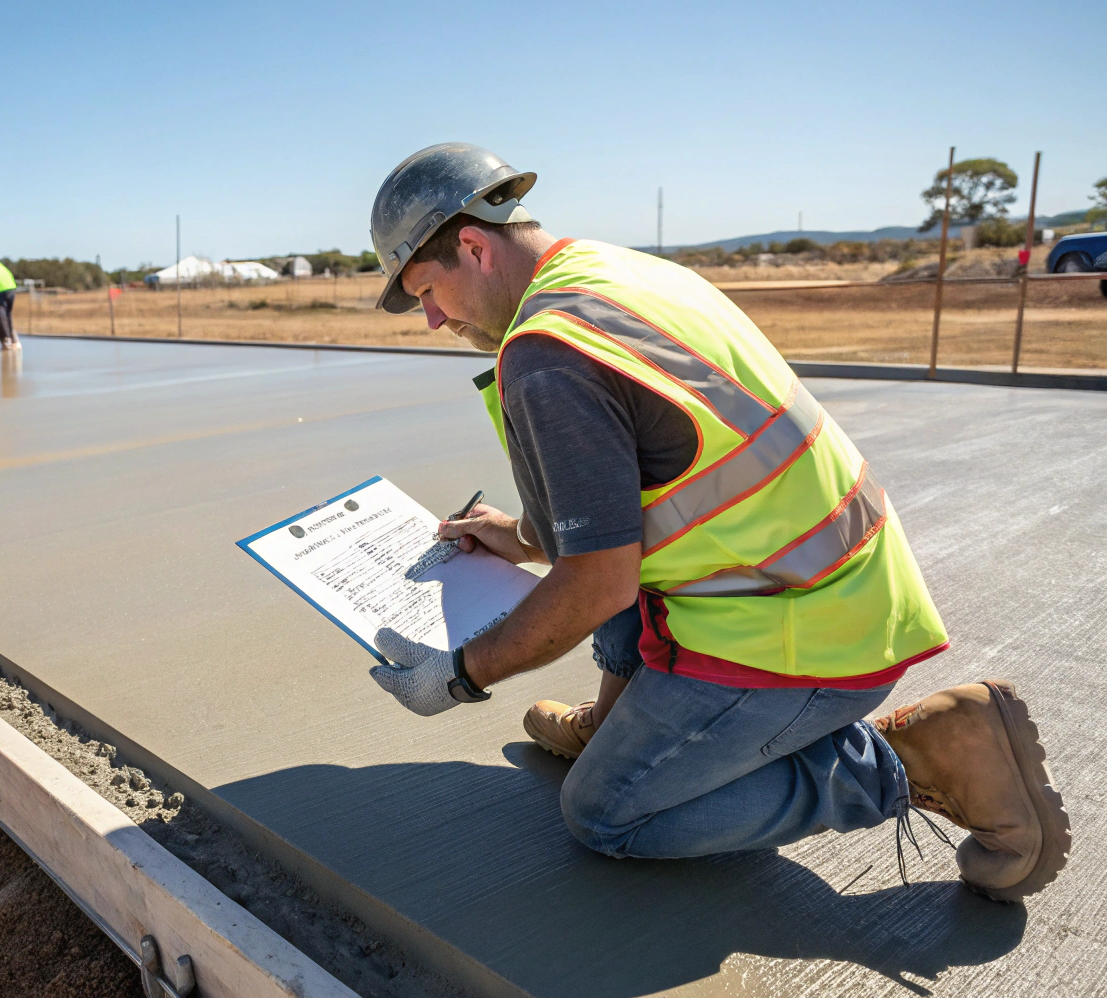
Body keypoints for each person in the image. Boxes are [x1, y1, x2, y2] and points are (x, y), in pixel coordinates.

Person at [363, 143, 1069, 902]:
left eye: (429, 290)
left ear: (472, 245)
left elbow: (599, 582)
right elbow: (647, 478)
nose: (432, 319)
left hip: (794, 637)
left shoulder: (547, 353)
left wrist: (464, 674)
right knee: (606, 568)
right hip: (841, 583)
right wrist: (527, 535)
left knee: (605, 814)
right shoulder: (613, 273)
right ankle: (617, 722)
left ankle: (914, 759)